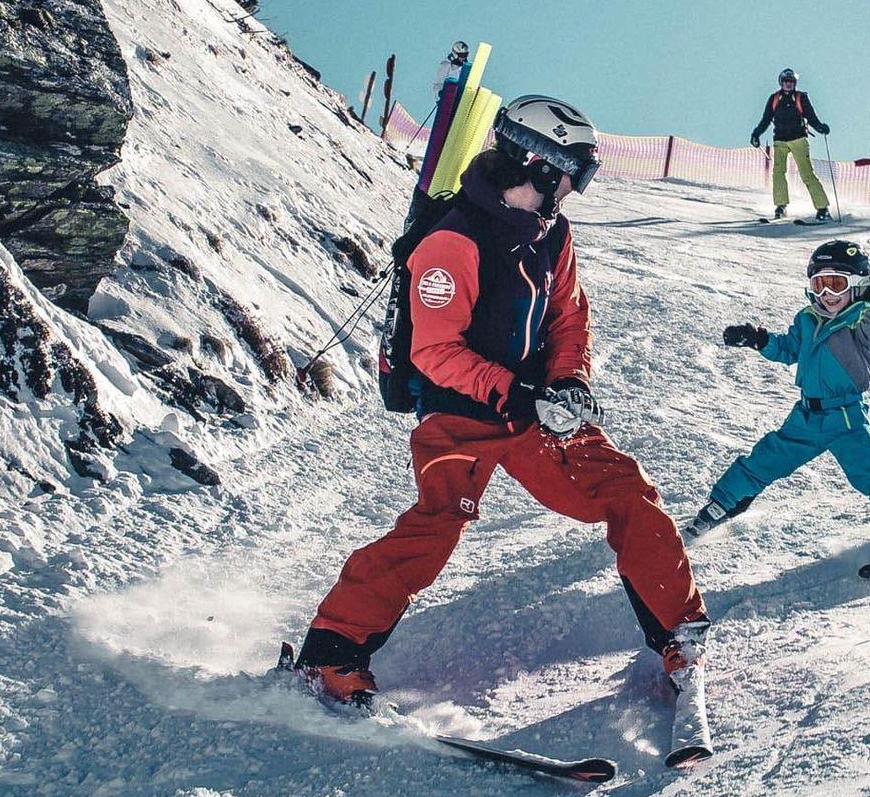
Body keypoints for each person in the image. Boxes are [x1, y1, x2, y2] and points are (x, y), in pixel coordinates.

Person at [294, 96, 709, 704]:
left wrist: (569, 380)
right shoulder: (452, 242)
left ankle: (680, 634)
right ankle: (330, 655)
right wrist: (516, 391)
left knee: (627, 492)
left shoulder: (551, 233)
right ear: (538, 164)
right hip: (462, 410)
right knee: (437, 523)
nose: (574, 190)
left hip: (536, 408)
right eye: (574, 174)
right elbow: (435, 351)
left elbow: (568, 316)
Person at [686, 238, 870, 569]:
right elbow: (788, 349)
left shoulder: (860, 324)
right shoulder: (808, 319)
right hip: (807, 417)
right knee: (765, 458)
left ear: (858, 285)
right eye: (819, 285)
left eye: (836, 285)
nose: (826, 294)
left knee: (869, 472)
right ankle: (722, 505)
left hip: (844, 417)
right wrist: (758, 339)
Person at [750, 68, 832, 222]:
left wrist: (820, 127)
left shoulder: (801, 98)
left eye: (791, 81)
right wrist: (756, 134)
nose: (789, 84)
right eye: (786, 81)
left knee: (807, 174)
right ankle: (781, 206)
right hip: (780, 141)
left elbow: (811, 117)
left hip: (798, 140)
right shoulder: (775, 98)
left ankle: (823, 208)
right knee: (778, 173)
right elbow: (766, 119)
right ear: (781, 82)